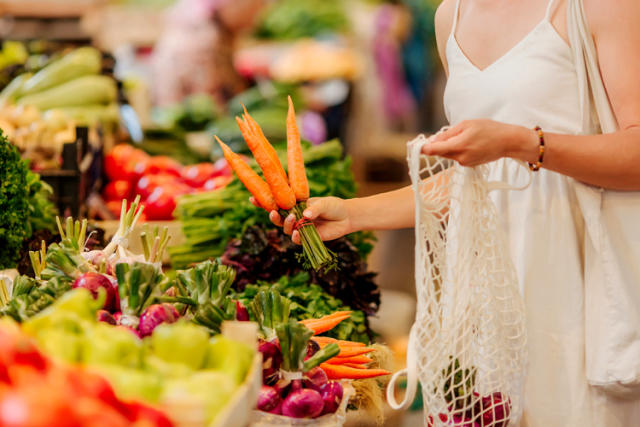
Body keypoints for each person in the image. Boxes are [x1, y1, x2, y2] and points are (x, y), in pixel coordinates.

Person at [262, 0, 640, 425]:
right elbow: (471, 181)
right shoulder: (452, 16)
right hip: (490, 292)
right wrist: (353, 214)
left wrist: (520, 143)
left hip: (579, 280)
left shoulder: (599, 6)